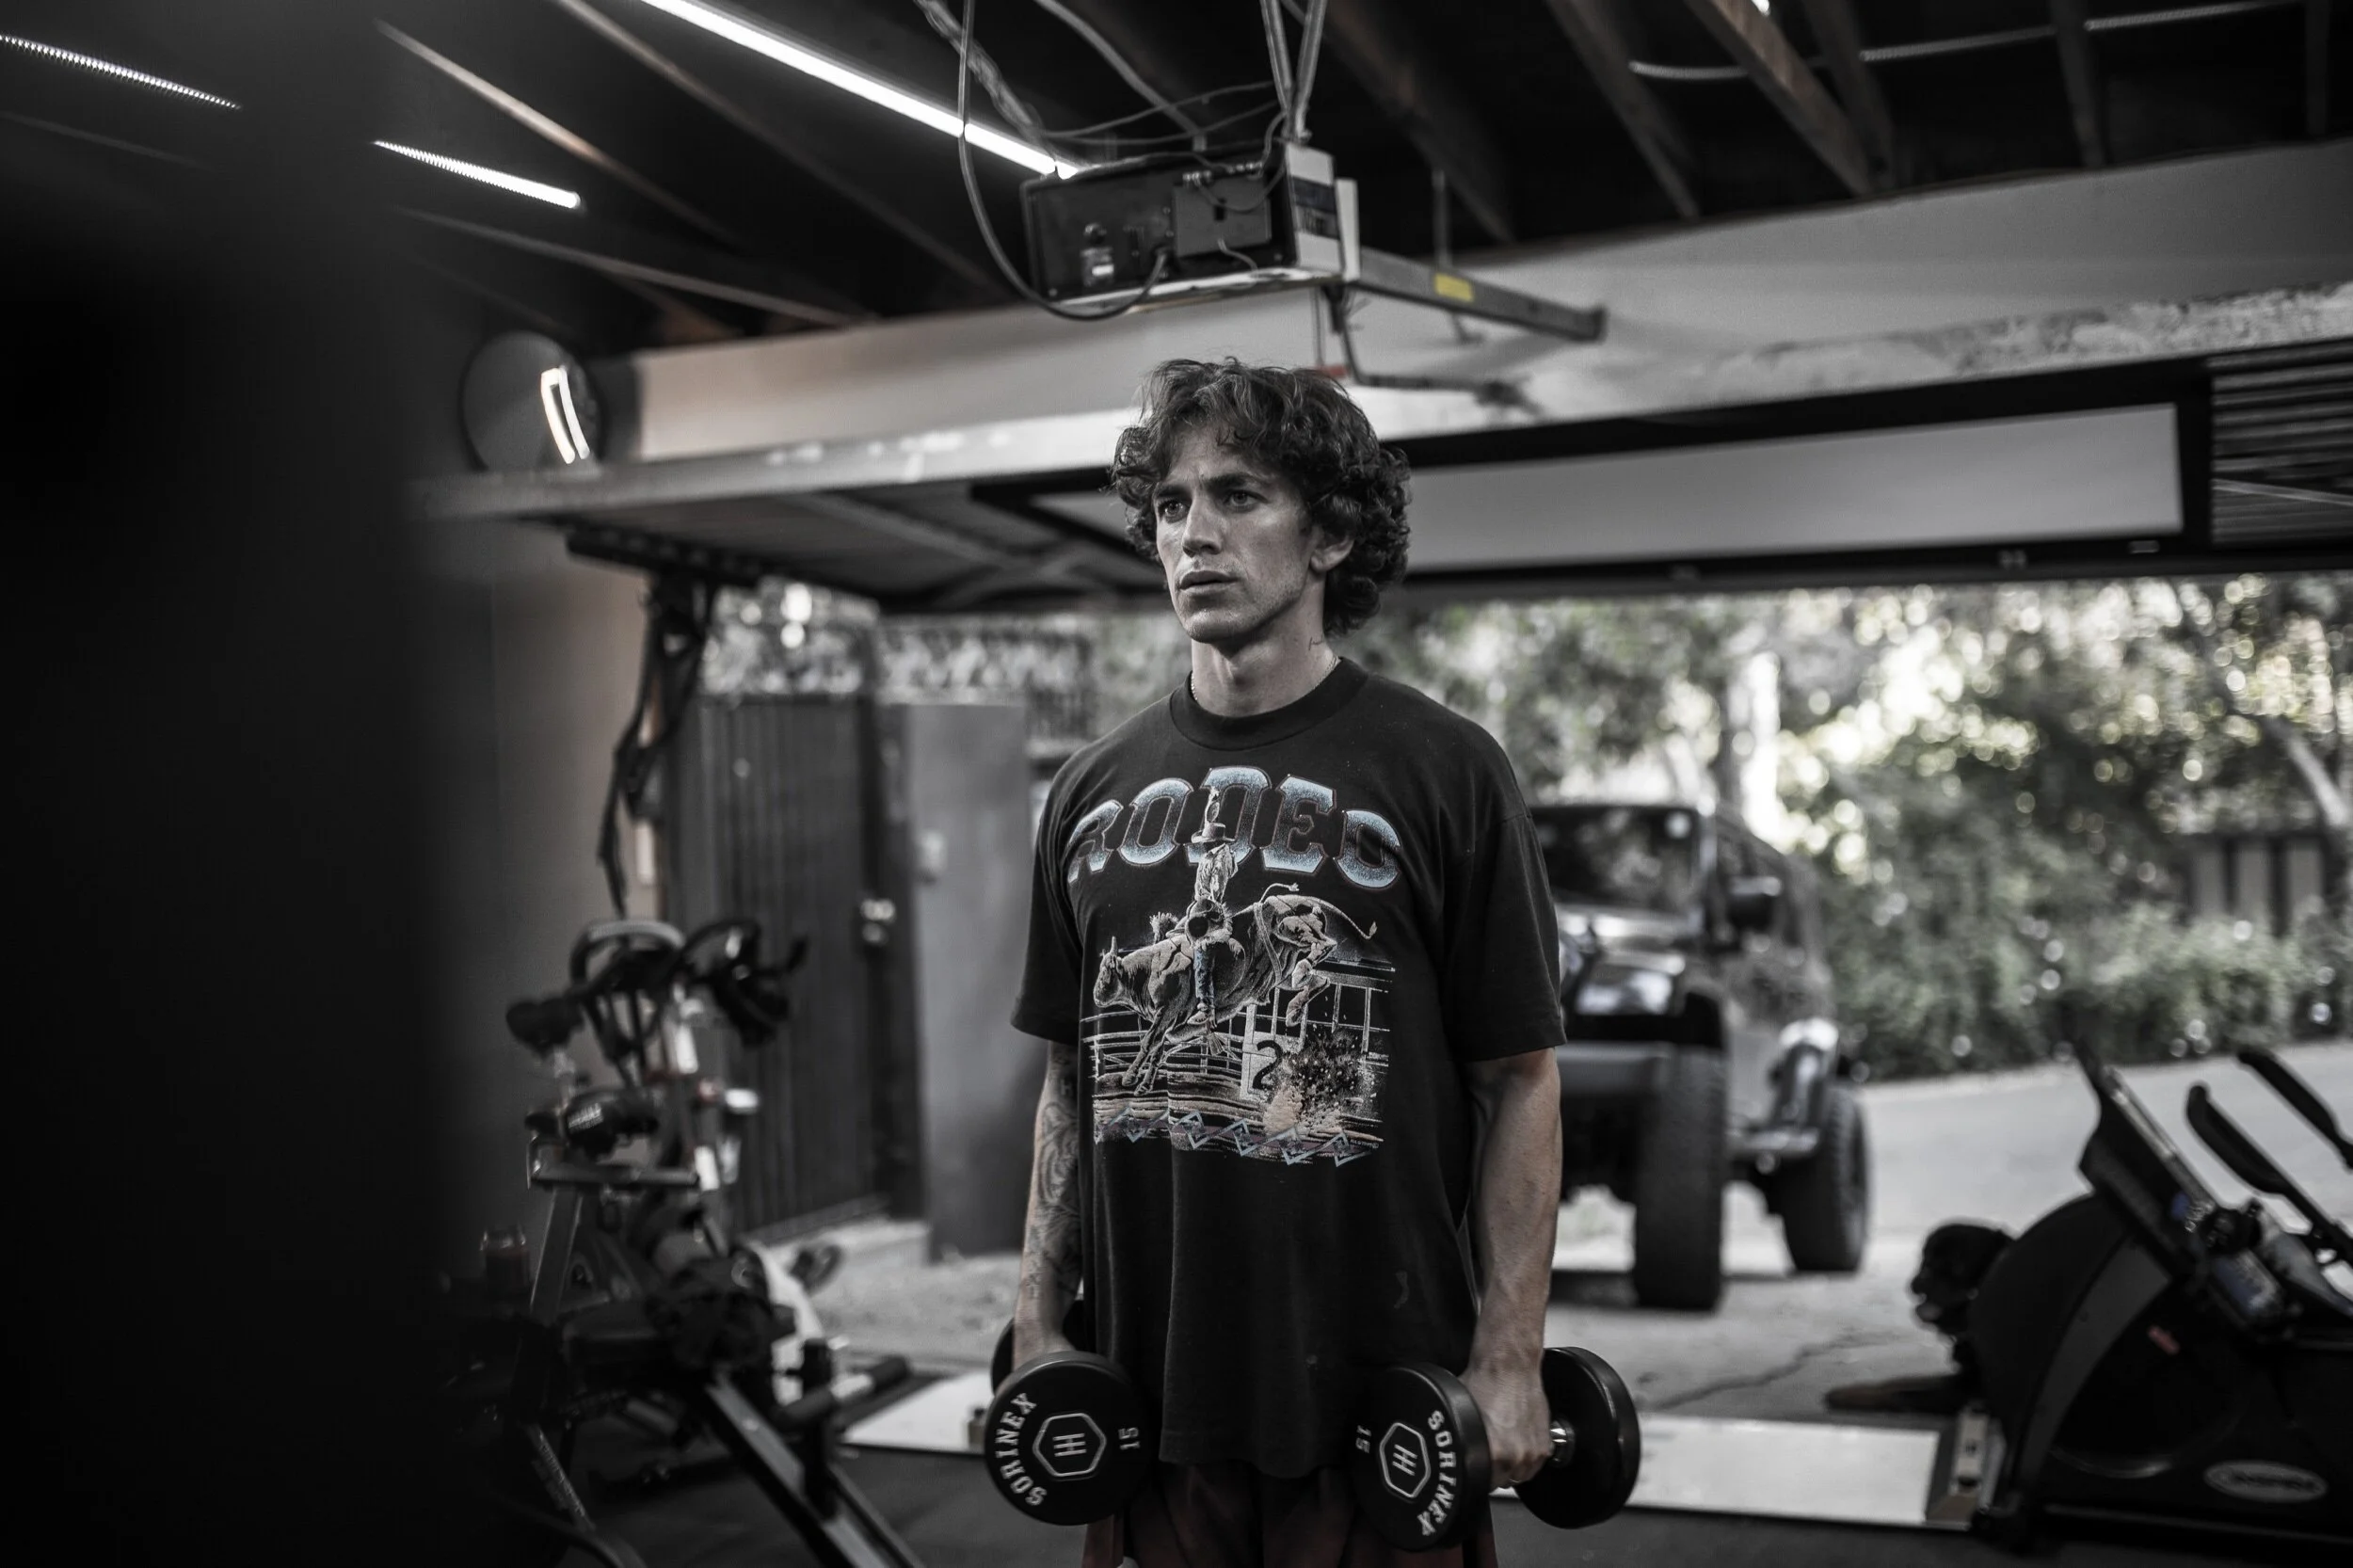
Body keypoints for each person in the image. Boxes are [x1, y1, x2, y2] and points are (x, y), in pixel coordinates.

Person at [1010, 359, 1566, 1567]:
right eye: (1170, 504)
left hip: (1377, 1416)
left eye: (1239, 496)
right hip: (1150, 1413)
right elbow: (1070, 1073)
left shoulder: (1445, 770)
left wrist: (1510, 1355)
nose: (1194, 533)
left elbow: (1518, 1077)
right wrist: (1035, 1314)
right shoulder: (1089, 791)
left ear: (1332, 534)